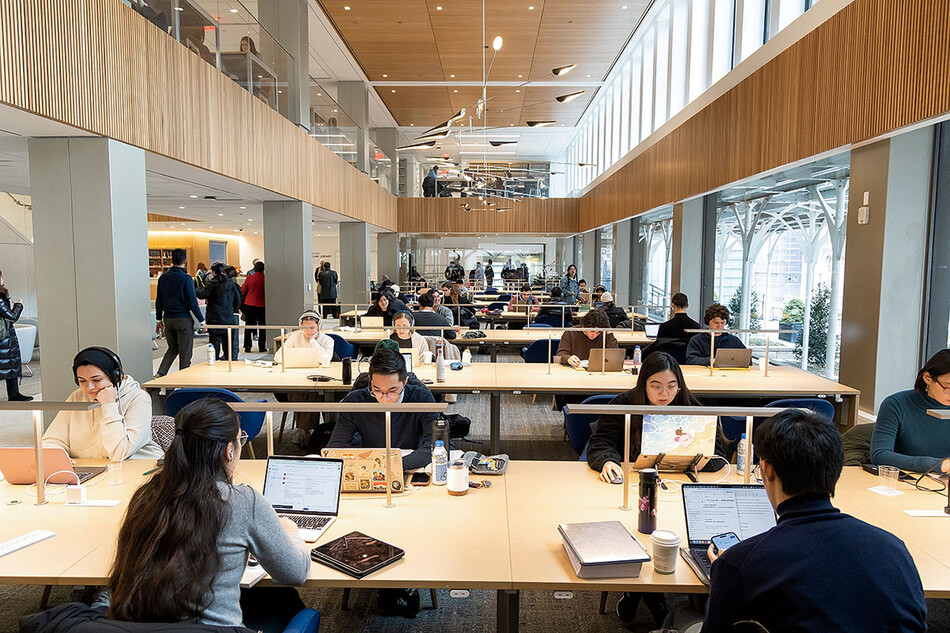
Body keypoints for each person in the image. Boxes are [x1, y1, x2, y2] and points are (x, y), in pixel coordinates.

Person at [700, 409, 927, 633]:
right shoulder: (894, 548)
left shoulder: (740, 561)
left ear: (767, 470)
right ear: (837, 470)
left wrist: (725, 567)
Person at [107, 399, 311, 632]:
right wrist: (292, 533)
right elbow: (295, 572)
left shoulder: (146, 495)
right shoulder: (243, 501)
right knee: (288, 601)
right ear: (229, 450)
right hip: (215, 629)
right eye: (240, 439)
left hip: (142, 627)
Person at [587, 352, 726, 629]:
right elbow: (600, 442)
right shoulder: (624, 405)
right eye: (656, 386)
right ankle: (652, 597)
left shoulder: (691, 406)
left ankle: (641, 593)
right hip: (634, 486)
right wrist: (608, 461)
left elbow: (718, 453)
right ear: (643, 383)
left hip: (680, 487)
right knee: (642, 531)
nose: (664, 393)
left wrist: (699, 458)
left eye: (672, 385)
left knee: (688, 532)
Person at [43, 347, 162, 460]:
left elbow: (119, 453)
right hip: (93, 471)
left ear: (116, 376)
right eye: (82, 381)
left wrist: (109, 405)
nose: (89, 387)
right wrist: (60, 458)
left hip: (135, 468)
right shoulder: (77, 396)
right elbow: (50, 441)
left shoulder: (137, 398)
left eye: (97, 380)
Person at [327, 350, 437, 470]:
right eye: (377, 390)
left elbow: (435, 445)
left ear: (405, 381)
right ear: (371, 380)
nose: (385, 398)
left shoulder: (421, 398)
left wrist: (389, 466)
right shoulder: (355, 401)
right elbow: (336, 447)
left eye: (392, 390)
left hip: (408, 467)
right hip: (369, 468)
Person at [871, 349, 950, 472]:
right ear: (928, 378)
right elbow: (880, 455)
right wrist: (937, 465)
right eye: (948, 387)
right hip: (908, 482)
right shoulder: (896, 404)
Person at [155, 248, 205, 377]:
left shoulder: (163, 278)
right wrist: (202, 321)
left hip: (168, 319)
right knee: (185, 352)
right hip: (183, 319)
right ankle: (183, 380)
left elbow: (159, 299)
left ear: (171, 260)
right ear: (185, 261)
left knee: (172, 349)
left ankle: (160, 374)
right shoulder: (186, 278)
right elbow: (192, 302)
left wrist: (158, 320)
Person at [198, 264, 242, 361]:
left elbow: (202, 294)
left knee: (215, 343)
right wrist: (231, 309)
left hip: (214, 318)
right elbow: (238, 300)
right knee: (228, 343)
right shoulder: (230, 283)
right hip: (228, 317)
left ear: (213, 272)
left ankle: (214, 361)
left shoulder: (212, 283)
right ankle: (228, 361)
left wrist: (196, 288)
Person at [0, 270, 30, 401]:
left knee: (10, 364)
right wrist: (18, 305)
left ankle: (14, 394)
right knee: (8, 364)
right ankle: (14, 395)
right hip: (3, 337)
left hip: (6, 336)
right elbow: (12, 317)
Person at [241, 261, 267, 353]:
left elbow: (243, 290)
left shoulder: (249, 278)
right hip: (262, 305)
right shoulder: (265, 279)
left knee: (248, 326)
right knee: (262, 327)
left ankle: (248, 346)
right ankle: (262, 347)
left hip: (249, 304)